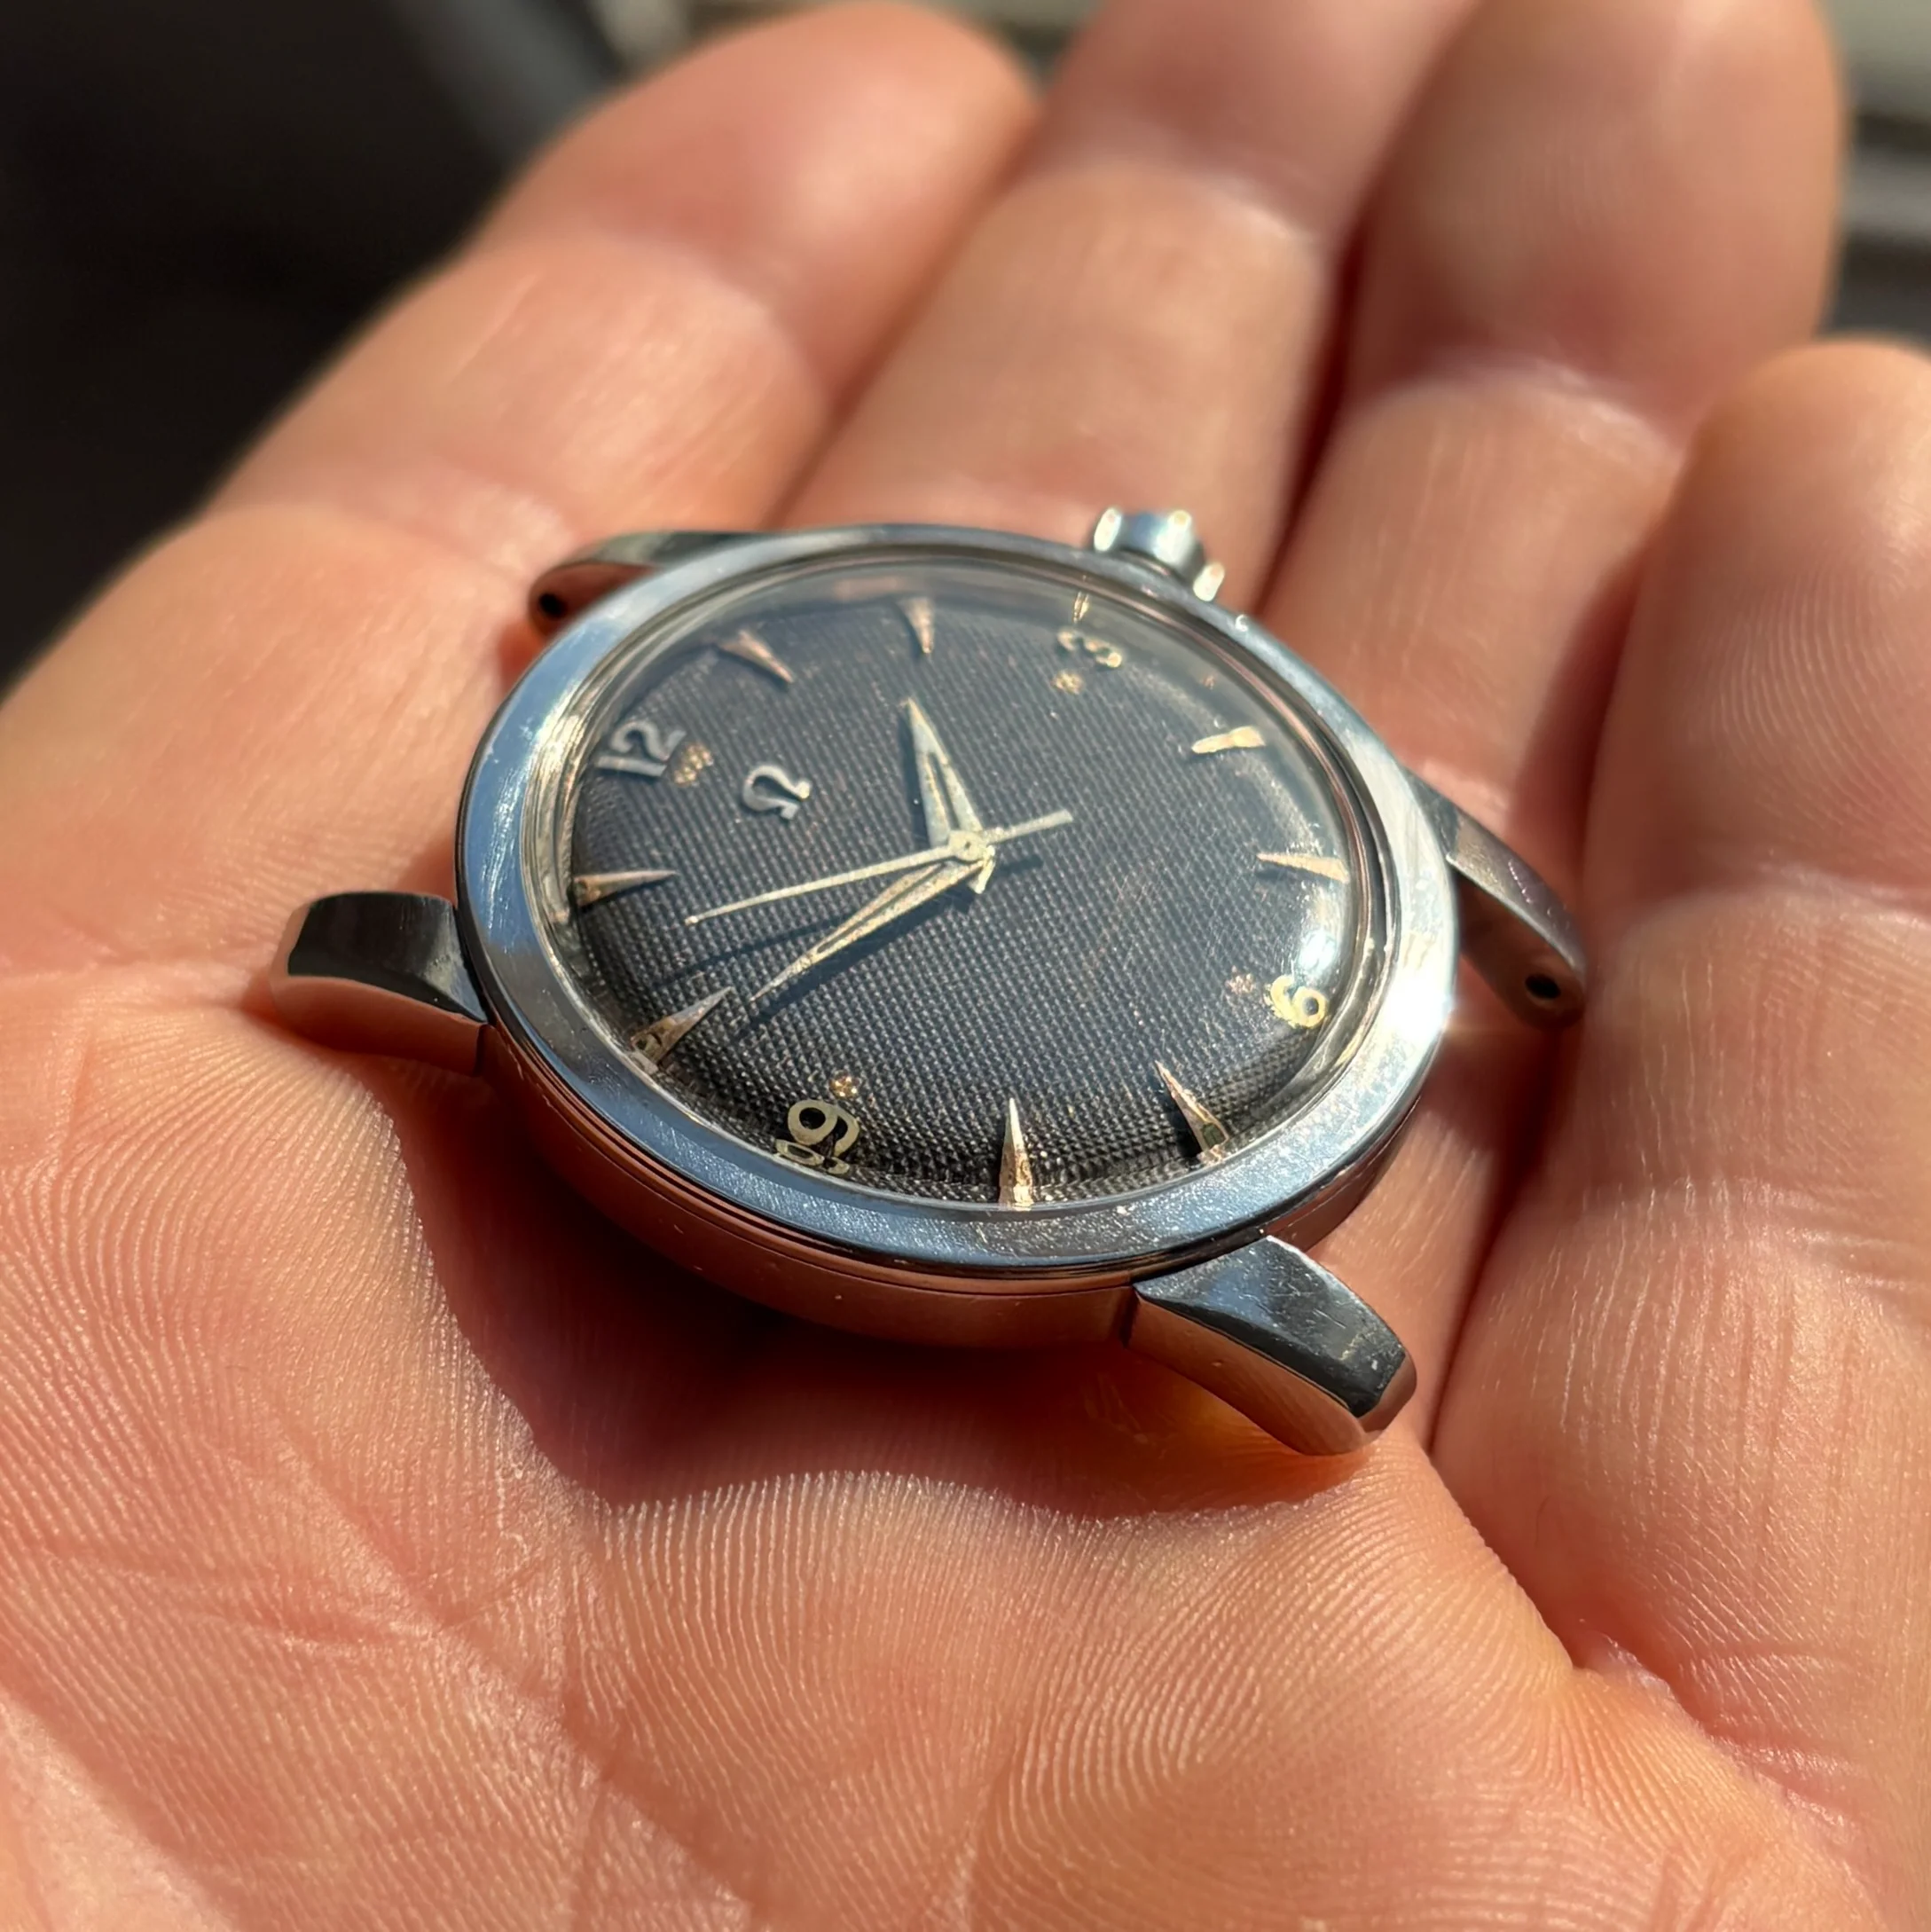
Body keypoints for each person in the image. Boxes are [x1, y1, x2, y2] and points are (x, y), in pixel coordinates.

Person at [0, 0, 1918, 1923]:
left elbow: (616, 583)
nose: (975, 861)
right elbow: (629, 594)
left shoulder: (1294, 915)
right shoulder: (1299, 820)